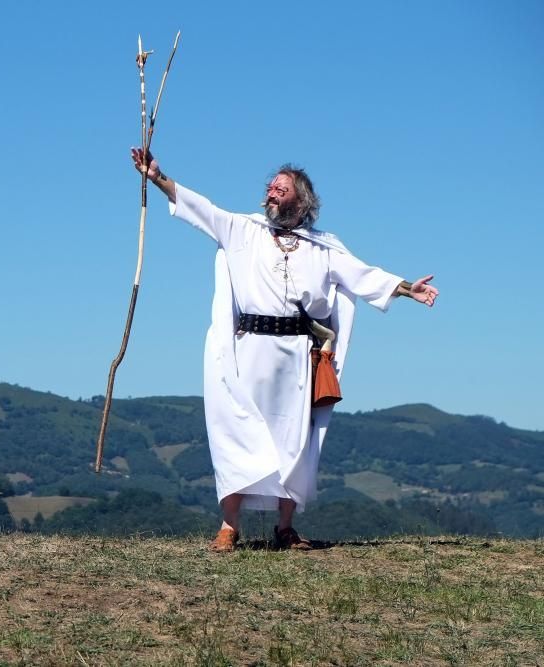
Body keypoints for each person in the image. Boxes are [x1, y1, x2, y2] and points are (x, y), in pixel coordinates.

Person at [130, 148, 439, 551]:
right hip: (247, 350)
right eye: (271, 187)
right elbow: (198, 207)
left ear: (302, 201)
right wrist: (157, 176)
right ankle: (229, 525)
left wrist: (405, 289)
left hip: (297, 357)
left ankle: (285, 527)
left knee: (291, 440)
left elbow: (364, 275)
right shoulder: (243, 230)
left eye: (282, 187)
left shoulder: (324, 247)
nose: (272, 191)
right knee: (236, 431)